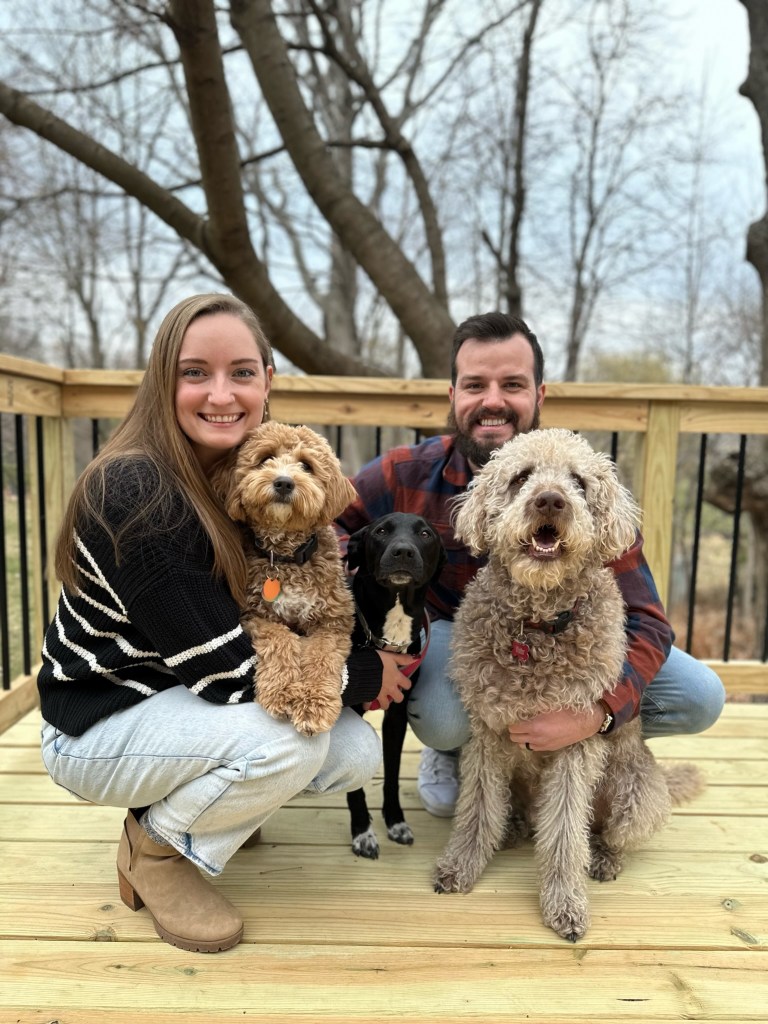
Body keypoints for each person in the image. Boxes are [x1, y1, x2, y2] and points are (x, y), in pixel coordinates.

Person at [38, 293, 414, 954]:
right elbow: (230, 676)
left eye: (241, 372)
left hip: (173, 689)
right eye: (195, 373)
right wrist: (364, 673)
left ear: (267, 380)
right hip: (98, 717)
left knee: (352, 753)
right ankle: (155, 851)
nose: (221, 394)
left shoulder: (226, 470)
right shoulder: (136, 493)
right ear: (163, 381)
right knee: (290, 746)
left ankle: (215, 808)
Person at [336, 311, 726, 818]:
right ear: (453, 395)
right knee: (445, 717)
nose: (493, 401)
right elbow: (328, 529)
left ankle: (568, 752)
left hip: (567, 643)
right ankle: (455, 751)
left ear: (539, 395)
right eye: (475, 385)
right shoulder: (403, 473)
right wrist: (367, 635)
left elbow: (647, 621)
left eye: (512, 384)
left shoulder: (579, 485)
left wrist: (598, 712)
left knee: (700, 696)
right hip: (458, 634)